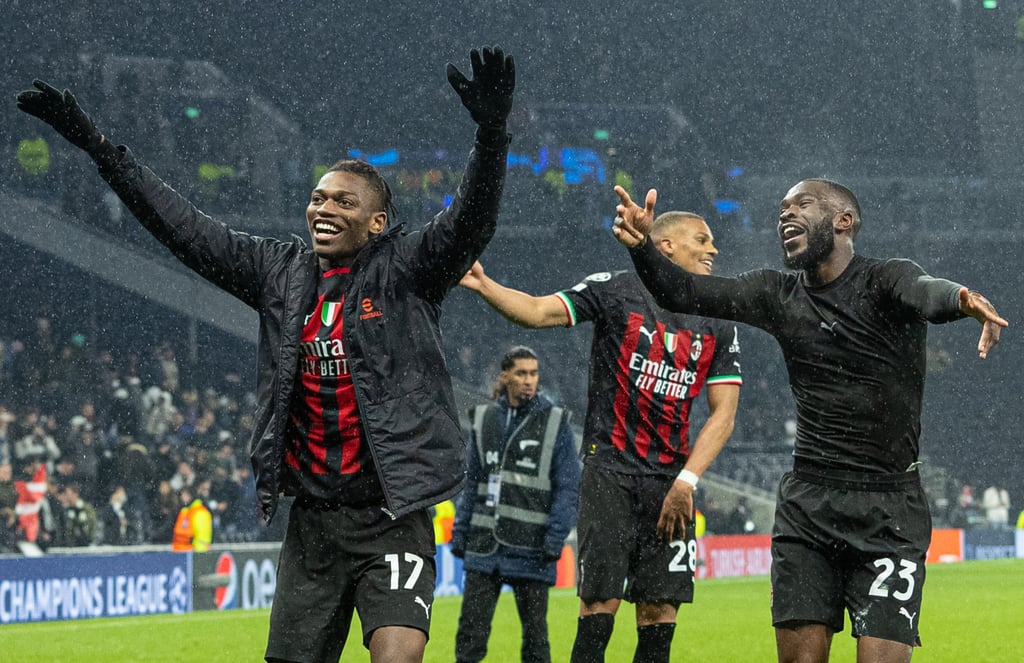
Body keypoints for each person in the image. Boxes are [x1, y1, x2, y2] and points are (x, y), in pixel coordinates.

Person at [18, 45, 514, 663]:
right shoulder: (277, 271)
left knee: (398, 658)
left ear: (378, 222)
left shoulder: (406, 270)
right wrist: (98, 147)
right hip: (312, 526)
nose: (324, 208)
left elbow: (470, 222)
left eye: (343, 202)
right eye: (318, 198)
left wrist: (492, 137)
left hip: (392, 516)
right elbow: (183, 226)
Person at [612, 179, 1008, 662]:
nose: (785, 215)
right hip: (808, 509)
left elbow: (925, 292)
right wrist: (642, 251)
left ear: (844, 221)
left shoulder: (885, 280)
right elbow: (684, 291)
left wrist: (961, 298)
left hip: (889, 512)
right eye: (781, 208)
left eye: (802, 204)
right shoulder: (777, 294)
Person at [459, 210, 742, 663]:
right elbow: (536, 311)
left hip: (672, 481)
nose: (713, 250)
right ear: (665, 246)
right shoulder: (614, 289)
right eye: (702, 240)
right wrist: (483, 284)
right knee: (599, 607)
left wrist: (686, 481)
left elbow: (723, 414)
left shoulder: (717, 317)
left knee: (660, 614)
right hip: (610, 471)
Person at [450, 346, 580, 663]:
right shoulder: (484, 419)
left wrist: (555, 537)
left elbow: (568, 486)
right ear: (504, 376)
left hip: (533, 546)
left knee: (536, 640)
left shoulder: (555, 422)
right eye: (521, 373)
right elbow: (473, 483)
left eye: (533, 374)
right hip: (484, 546)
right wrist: (460, 531)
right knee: (470, 637)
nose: (528, 381)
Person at [171, 485, 212, 552]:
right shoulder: (185, 511)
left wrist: (198, 555)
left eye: (184, 495)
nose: (182, 497)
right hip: (181, 552)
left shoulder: (199, 512)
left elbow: (202, 537)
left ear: (190, 495)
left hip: (192, 553)